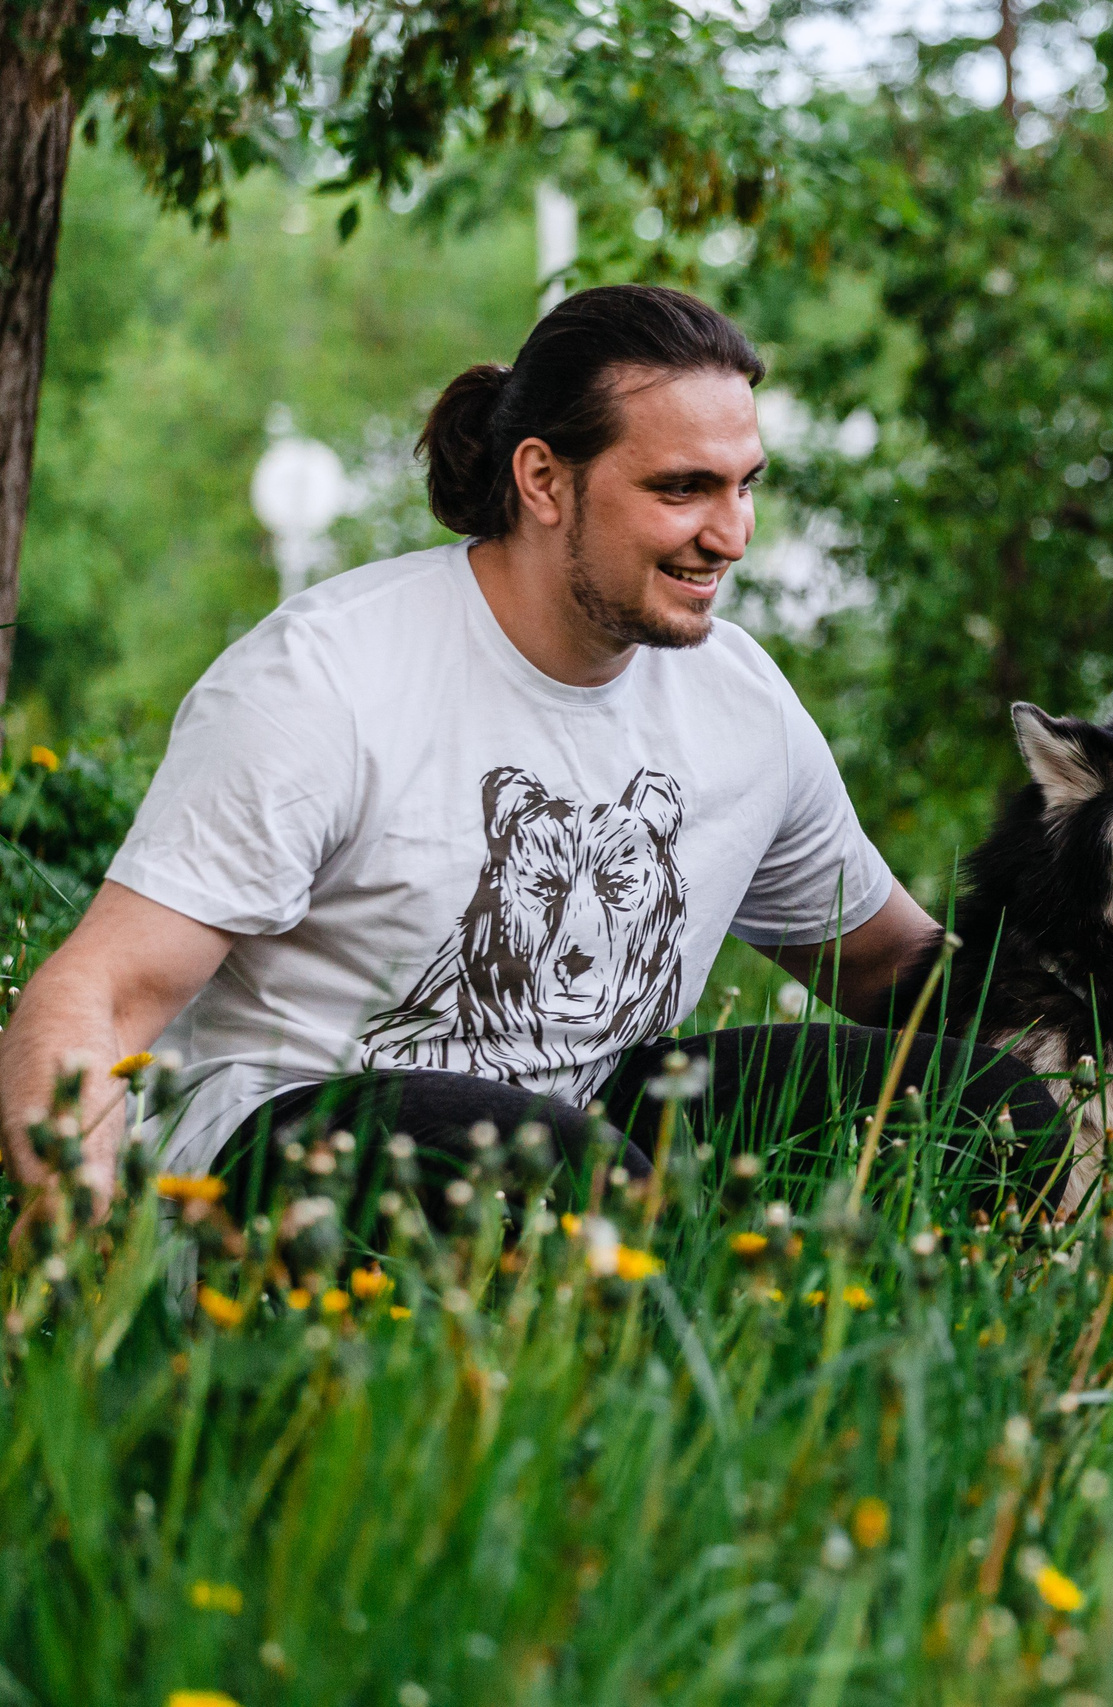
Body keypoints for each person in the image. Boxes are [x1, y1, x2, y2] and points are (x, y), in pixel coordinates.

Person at [2, 284, 1054, 1232]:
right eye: (684, 488)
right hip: (295, 1141)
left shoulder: (740, 701)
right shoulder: (323, 680)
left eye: (745, 486)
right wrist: (79, 1224)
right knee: (557, 1167)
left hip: (589, 1139)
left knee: (982, 1105)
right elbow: (100, 987)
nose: (730, 534)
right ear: (545, 480)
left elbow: (884, 966)